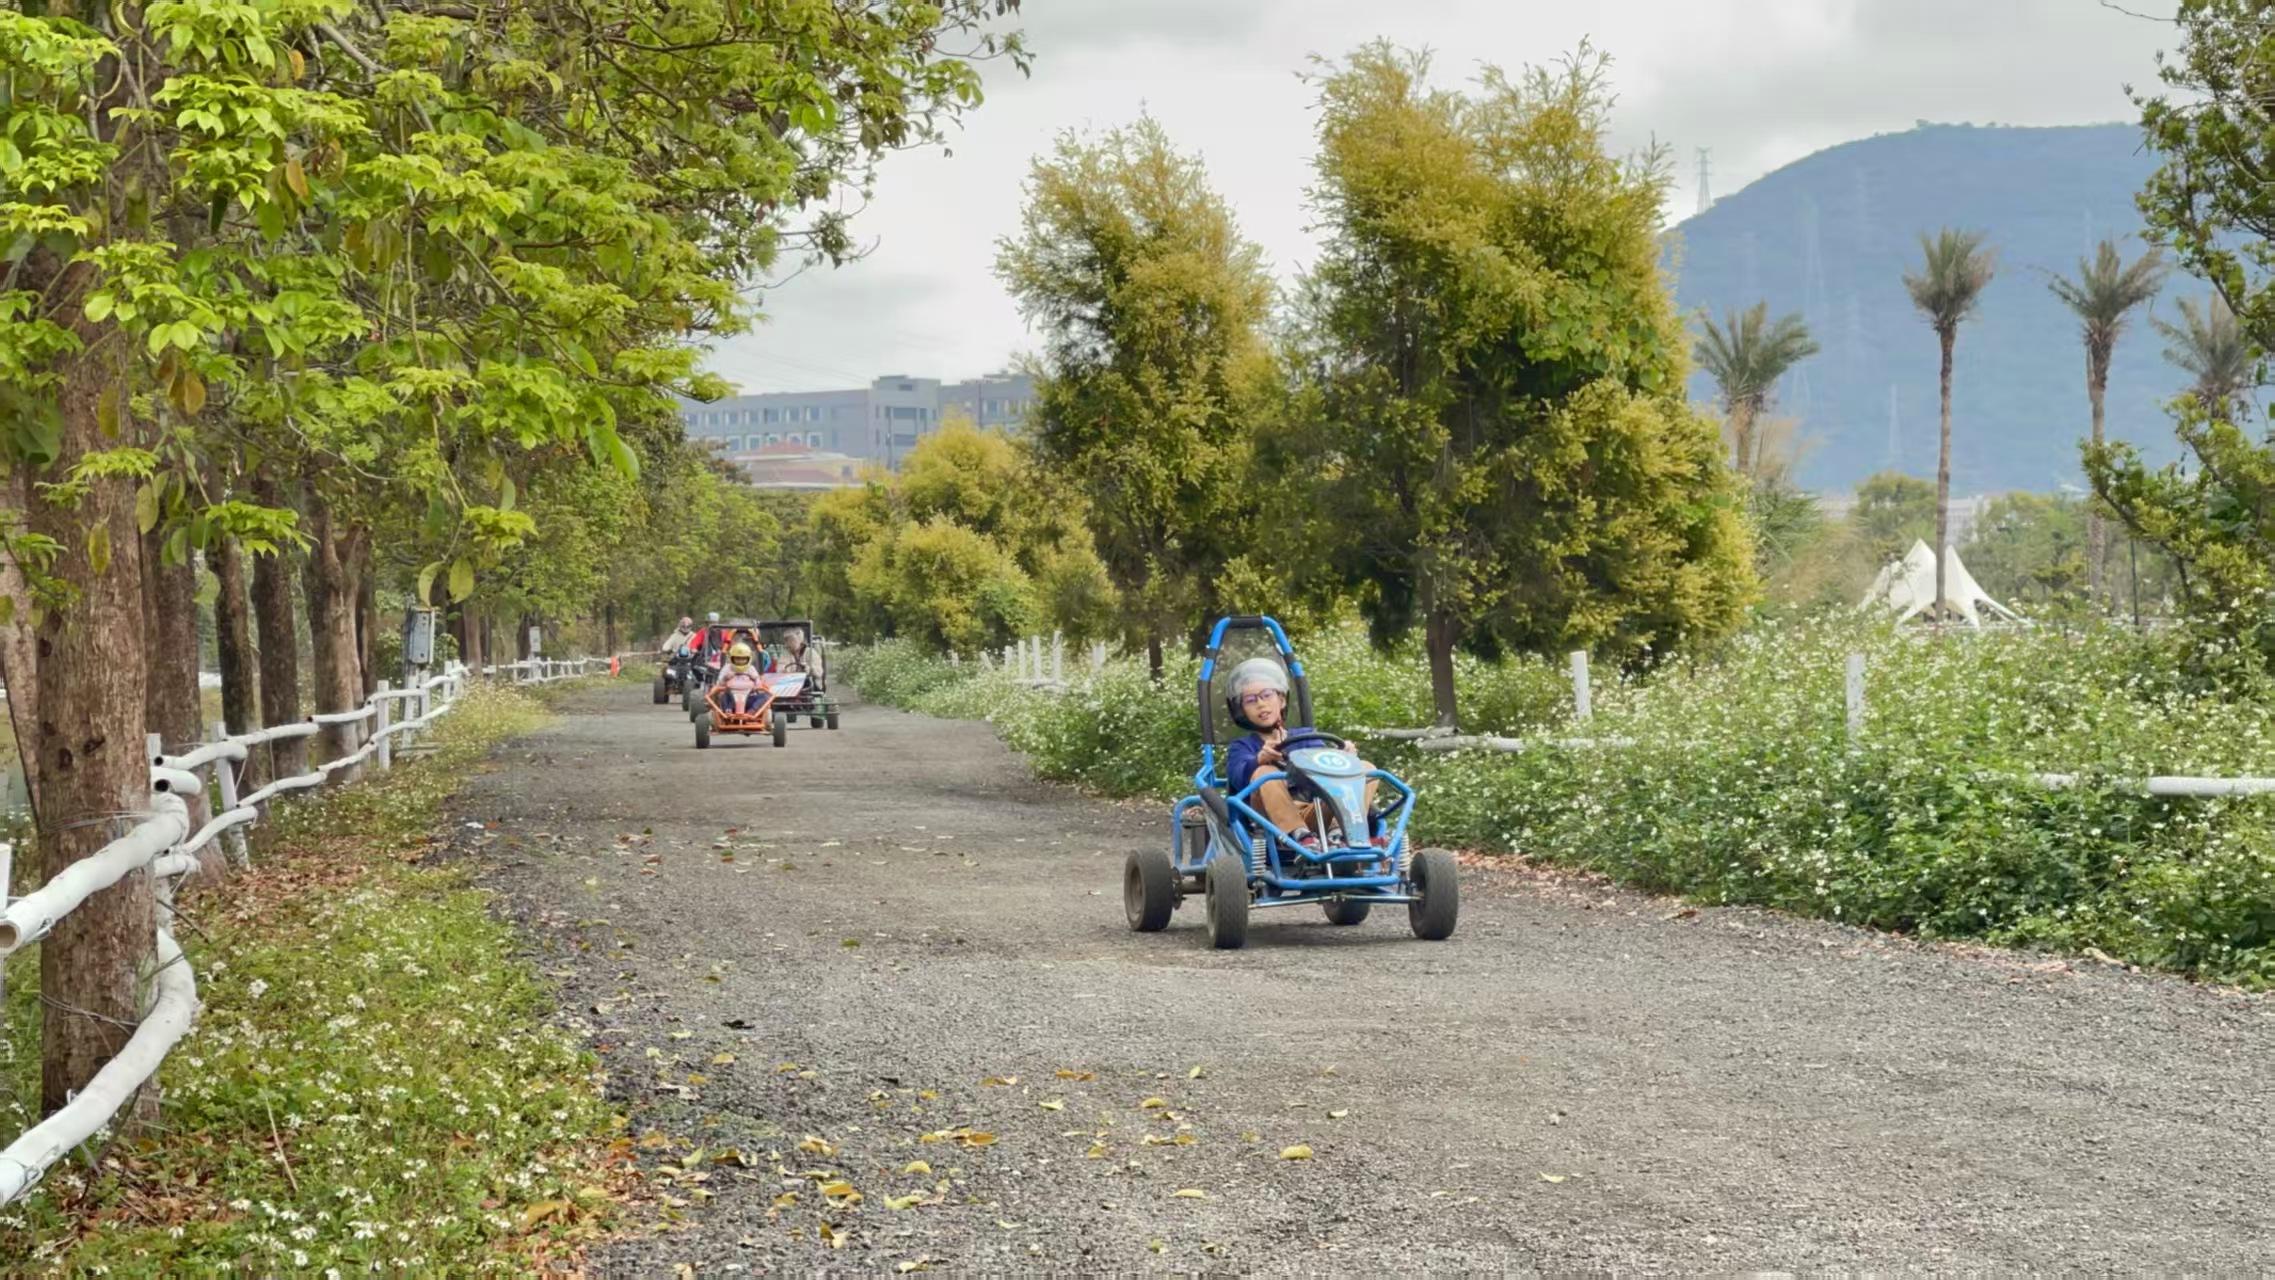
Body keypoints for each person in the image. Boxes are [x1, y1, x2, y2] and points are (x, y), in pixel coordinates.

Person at [1222, 657, 1382, 848]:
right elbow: (1238, 777)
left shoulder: (1305, 737)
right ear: (1242, 711)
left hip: (1316, 812)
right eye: (1250, 700)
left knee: (1365, 768)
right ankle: (1300, 836)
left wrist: (1344, 756)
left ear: (1281, 700)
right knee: (1265, 773)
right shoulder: (1241, 746)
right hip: (1270, 820)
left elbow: (1327, 763)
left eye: (1267, 695)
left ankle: (1343, 832)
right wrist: (1259, 760)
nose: (1261, 704)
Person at [712, 641, 774, 715]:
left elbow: (758, 684)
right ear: (731, 658)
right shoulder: (727, 668)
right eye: (737, 659)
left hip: (748, 698)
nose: (740, 661)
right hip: (731, 698)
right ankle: (727, 711)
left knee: (765, 697)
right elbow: (719, 684)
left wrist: (756, 683)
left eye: (743, 659)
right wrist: (725, 678)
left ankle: (752, 711)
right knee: (722, 696)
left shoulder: (751, 669)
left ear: (749, 659)